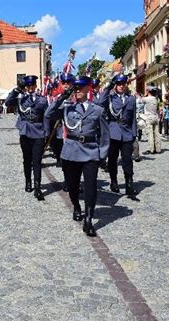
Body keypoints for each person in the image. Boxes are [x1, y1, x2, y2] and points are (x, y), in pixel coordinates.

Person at [46, 76, 110, 236]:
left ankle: (88, 219)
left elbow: (104, 135)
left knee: (90, 186)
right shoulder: (68, 108)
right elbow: (48, 113)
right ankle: (76, 206)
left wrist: (102, 154)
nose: (78, 91)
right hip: (71, 152)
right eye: (76, 88)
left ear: (88, 88)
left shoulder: (97, 110)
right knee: (73, 186)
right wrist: (62, 96)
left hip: (90, 152)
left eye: (81, 88)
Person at [5, 75, 49, 201]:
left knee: (37, 161)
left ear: (35, 86)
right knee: (27, 160)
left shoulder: (42, 100)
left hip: (38, 133)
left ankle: (38, 187)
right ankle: (28, 182)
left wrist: (46, 133)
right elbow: (7, 103)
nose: (30, 88)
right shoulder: (20, 98)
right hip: (25, 132)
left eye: (32, 85)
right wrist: (17, 89)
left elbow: (46, 117)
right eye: (27, 86)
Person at [97, 74, 138, 196]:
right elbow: (99, 102)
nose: (121, 86)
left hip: (127, 134)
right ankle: (113, 181)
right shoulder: (110, 98)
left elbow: (133, 118)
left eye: (123, 84)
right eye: (118, 84)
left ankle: (129, 185)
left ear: (126, 85)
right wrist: (109, 86)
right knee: (112, 160)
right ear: (115, 85)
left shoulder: (131, 99)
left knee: (127, 160)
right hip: (113, 132)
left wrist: (134, 134)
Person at [142, 86, 161, 154]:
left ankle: (151, 149)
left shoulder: (146, 99)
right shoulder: (156, 99)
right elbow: (158, 109)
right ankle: (158, 149)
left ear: (148, 91)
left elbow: (140, 101)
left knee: (150, 134)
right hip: (155, 117)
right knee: (156, 133)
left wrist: (145, 95)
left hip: (149, 117)